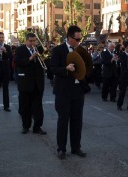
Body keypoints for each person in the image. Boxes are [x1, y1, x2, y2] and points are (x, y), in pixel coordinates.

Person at [50, 25, 87, 160]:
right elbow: (53, 68)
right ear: (69, 38)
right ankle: (61, 148)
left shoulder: (81, 50)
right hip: (63, 91)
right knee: (63, 121)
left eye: (79, 39)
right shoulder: (58, 50)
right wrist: (65, 69)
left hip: (78, 90)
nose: (78, 41)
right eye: (76, 39)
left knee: (77, 121)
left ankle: (76, 147)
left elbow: (86, 67)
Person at [15, 33, 47, 135]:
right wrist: (30, 58)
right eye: (31, 41)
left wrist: (44, 59)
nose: (33, 43)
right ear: (26, 41)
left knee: (38, 107)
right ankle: (26, 126)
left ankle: (37, 127)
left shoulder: (40, 50)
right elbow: (18, 62)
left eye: (34, 41)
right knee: (25, 107)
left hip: (38, 83)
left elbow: (46, 64)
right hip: (25, 82)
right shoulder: (20, 50)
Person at [117, 41, 128, 111]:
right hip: (124, 76)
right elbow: (123, 65)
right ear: (125, 48)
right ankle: (119, 105)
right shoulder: (122, 55)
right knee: (122, 92)